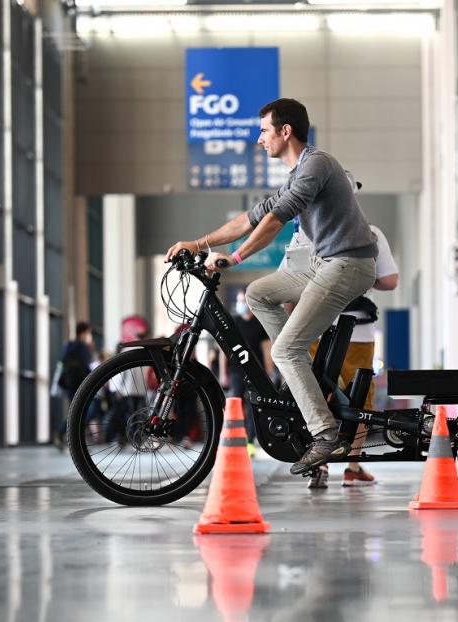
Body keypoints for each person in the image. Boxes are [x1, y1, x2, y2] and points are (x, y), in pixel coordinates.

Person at [166, 98, 378, 474]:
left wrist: (235, 258)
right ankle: (304, 381)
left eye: (264, 130)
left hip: (347, 264)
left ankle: (325, 433)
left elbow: (276, 221)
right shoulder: (297, 173)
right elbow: (252, 218)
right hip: (322, 263)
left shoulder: (317, 164)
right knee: (259, 294)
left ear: (285, 131)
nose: (258, 139)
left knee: (285, 349)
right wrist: (198, 244)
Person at [291, 222, 399, 488]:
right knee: (360, 396)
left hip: (315, 326)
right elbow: (390, 280)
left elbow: (288, 286)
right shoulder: (370, 231)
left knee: (315, 394)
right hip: (357, 330)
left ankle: (319, 463)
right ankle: (352, 466)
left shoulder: (304, 234)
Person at [226, 290, 273, 457]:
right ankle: (233, 439)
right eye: (239, 301)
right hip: (236, 371)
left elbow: (266, 348)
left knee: (254, 407)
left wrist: (269, 371)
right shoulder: (234, 322)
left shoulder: (259, 323)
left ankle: (250, 441)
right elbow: (224, 348)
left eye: (244, 301)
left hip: (256, 371)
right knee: (235, 404)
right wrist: (224, 373)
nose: (242, 304)